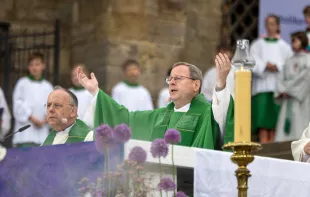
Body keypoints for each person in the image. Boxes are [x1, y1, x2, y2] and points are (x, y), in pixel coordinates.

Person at [79, 53, 234, 150]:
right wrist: (95, 92)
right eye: (170, 79)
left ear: (196, 85)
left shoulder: (206, 112)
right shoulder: (160, 115)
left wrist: (220, 83)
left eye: (178, 78)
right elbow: (125, 118)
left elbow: (222, 116)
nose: (172, 82)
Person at [250, 14, 293, 144]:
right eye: (268, 23)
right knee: (262, 121)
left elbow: (289, 65)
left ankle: (273, 146)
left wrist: (277, 67)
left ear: (278, 26)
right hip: (262, 88)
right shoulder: (257, 45)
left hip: (277, 88)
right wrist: (264, 66)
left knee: (275, 122)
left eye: (273, 24)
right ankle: (263, 144)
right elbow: (251, 60)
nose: (270, 26)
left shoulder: (284, 46)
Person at [12, 52, 53, 147]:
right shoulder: (22, 83)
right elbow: (18, 104)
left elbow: (53, 106)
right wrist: (32, 118)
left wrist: (46, 119)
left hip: (43, 133)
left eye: (37, 64)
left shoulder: (48, 86)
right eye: (31, 65)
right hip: (25, 134)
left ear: (43, 66)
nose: (34, 68)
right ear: (28, 67)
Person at [275, 32, 310, 142]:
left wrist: (289, 90)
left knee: (300, 122)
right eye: (292, 41)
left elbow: (305, 78)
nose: (293, 43)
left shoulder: (308, 59)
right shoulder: (289, 60)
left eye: (295, 41)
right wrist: (282, 91)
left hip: (301, 99)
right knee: (285, 122)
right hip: (287, 98)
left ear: (303, 41)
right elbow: (280, 77)